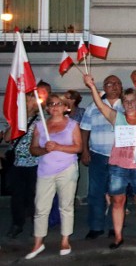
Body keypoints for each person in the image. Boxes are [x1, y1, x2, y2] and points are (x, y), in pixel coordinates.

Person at [84, 76, 136, 249]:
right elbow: (100, 105)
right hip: (118, 166)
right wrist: (92, 86)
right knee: (117, 201)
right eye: (126, 101)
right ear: (122, 103)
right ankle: (118, 236)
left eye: (132, 101)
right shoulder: (117, 118)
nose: (129, 104)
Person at [25, 94, 82, 259]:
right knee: (41, 208)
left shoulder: (72, 125)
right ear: (47, 108)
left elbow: (78, 147)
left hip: (67, 169)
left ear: (66, 107)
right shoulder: (40, 126)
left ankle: (65, 240)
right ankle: (38, 242)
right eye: (51, 104)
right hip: (45, 170)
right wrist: (44, 150)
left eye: (59, 104)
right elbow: (33, 149)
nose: (55, 107)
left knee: (66, 206)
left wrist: (58, 147)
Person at [80, 75, 124, 240]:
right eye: (110, 83)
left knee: (117, 193)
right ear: (104, 87)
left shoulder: (127, 105)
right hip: (98, 155)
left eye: (117, 83)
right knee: (95, 192)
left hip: (119, 157)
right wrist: (84, 151)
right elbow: (84, 129)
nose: (114, 86)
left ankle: (115, 226)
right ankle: (96, 227)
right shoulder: (93, 106)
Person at [5, 94, 40, 239]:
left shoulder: (40, 121)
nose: (27, 102)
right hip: (18, 164)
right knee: (17, 196)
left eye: (29, 100)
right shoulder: (17, 120)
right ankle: (17, 224)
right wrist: (15, 123)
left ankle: (36, 226)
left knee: (34, 197)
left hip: (35, 164)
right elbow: (7, 138)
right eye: (26, 100)